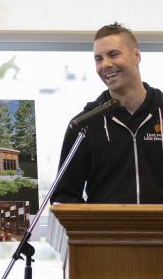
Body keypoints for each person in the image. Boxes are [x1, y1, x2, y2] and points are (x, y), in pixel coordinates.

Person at [51, 22, 163, 204]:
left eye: (113, 54)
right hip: (104, 232)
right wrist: (92, 228)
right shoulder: (83, 125)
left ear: (137, 56)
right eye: (98, 59)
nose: (106, 65)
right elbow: (64, 196)